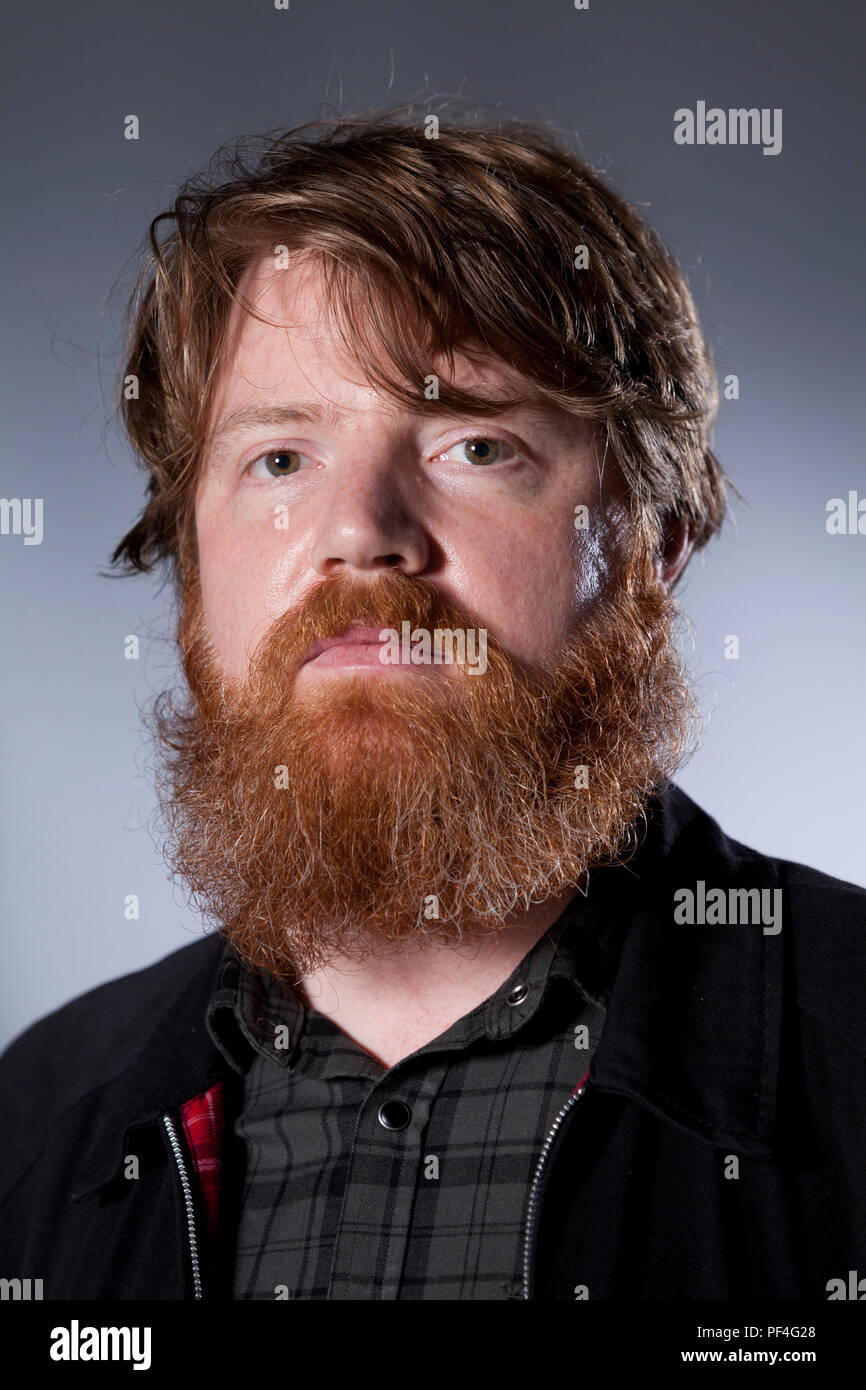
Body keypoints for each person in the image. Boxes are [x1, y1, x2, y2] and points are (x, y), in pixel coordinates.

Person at [1, 108, 864, 1302]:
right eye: (281, 458)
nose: (359, 532)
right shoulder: (34, 1126)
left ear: (649, 547)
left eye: (473, 444)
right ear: (195, 570)